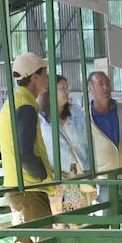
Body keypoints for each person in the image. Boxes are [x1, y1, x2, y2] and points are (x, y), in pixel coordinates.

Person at [0, 52, 56, 243]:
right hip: (29, 188)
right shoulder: (26, 106)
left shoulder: (15, 101)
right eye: (44, 73)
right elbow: (25, 152)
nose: (47, 77)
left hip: (17, 186)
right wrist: (43, 175)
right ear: (34, 76)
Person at [86, 69, 122, 210]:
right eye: (101, 84)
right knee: (107, 217)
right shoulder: (85, 116)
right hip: (104, 179)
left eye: (108, 83)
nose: (106, 87)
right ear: (90, 89)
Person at [38, 74, 92, 210]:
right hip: (55, 176)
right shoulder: (41, 119)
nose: (67, 91)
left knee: (81, 215)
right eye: (62, 88)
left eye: (67, 87)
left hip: (79, 173)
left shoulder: (76, 112)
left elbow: (88, 138)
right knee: (58, 217)